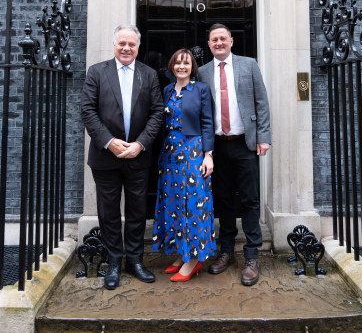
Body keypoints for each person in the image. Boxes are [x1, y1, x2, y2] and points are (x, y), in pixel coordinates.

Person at [81, 25, 163, 290]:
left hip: (138, 157)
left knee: (138, 211)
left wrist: (140, 144)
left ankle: (136, 261)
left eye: (132, 44)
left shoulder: (149, 74)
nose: (126, 48)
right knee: (109, 213)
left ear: (138, 47)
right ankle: (115, 261)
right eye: (122, 43)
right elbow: (87, 110)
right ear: (114, 44)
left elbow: (157, 113)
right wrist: (109, 142)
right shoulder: (97, 72)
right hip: (106, 158)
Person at [198, 24, 271, 287]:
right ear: (209, 44)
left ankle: (252, 255)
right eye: (214, 40)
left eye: (222, 39)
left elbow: (261, 102)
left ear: (231, 41)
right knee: (224, 200)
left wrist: (263, 137)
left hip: (245, 144)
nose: (219, 43)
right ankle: (226, 250)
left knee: (250, 200)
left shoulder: (248, 64)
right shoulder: (203, 71)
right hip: (217, 146)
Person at [152, 49, 216, 281]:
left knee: (193, 203)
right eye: (178, 62)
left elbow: (207, 122)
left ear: (192, 67)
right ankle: (181, 254)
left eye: (186, 63)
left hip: (193, 151)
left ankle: (193, 260)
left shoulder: (200, 89)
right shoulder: (167, 90)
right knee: (175, 202)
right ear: (172, 66)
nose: (181, 66)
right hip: (169, 153)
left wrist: (208, 155)